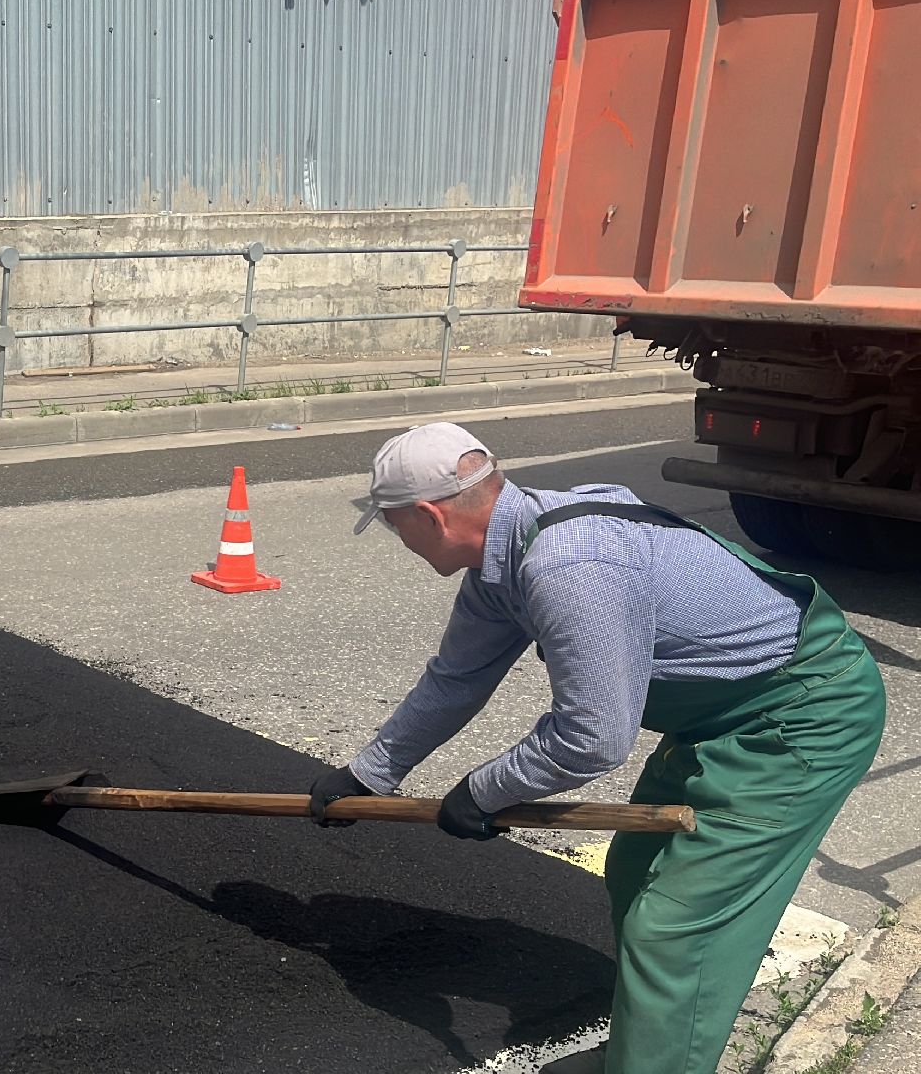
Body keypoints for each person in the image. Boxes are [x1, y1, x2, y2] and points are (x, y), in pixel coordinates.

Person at [309, 422, 884, 1074]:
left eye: (393, 526)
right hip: (724, 714)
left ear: (430, 516)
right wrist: (366, 774)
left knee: (676, 930)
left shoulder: (570, 566)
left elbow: (594, 737)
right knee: (635, 869)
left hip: (802, 715)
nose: (398, 540)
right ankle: (651, 1050)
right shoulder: (506, 557)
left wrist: (482, 791)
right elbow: (456, 680)